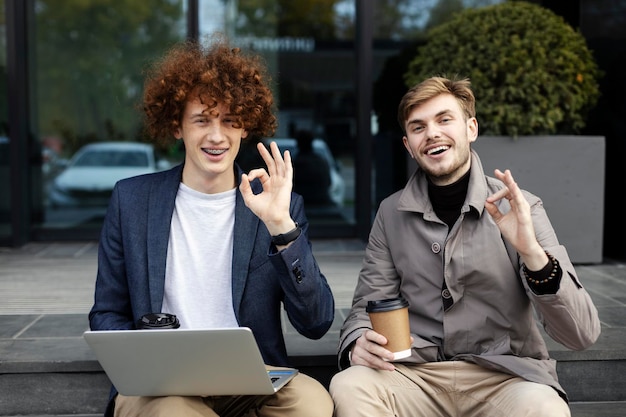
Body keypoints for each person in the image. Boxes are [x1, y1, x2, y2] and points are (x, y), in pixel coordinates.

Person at [88, 35, 335, 417]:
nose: (217, 136)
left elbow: (317, 323)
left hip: (251, 379)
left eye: (230, 121)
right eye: (202, 120)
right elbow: (106, 313)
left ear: (245, 128)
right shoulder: (131, 201)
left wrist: (281, 228)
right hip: (161, 384)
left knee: (312, 401)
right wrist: (140, 357)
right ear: (176, 126)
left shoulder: (278, 206)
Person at [329, 76, 600, 417]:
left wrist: (533, 255)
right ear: (408, 145)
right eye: (418, 127)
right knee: (348, 385)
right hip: (415, 376)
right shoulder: (390, 212)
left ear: (471, 128)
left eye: (444, 120)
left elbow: (581, 335)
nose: (432, 134)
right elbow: (367, 305)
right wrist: (358, 341)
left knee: (546, 408)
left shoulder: (522, 208)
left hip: (505, 376)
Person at [292, 130, 332, 206]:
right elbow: (329, 182)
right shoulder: (321, 161)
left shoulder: (296, 163)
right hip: (323, 202)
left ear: (298, 144)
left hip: (303, 204)